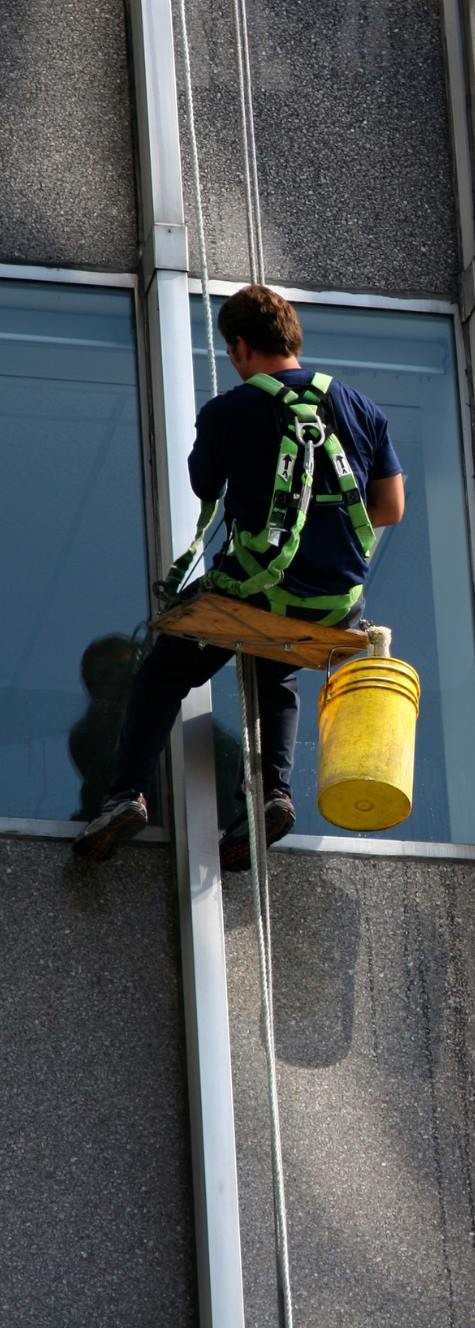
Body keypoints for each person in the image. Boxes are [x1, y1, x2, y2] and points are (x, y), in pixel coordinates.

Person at [73, 285, 404, 867]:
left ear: (241, 347)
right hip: (332, 604)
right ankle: (272, 794)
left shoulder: (229, 410)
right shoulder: (361, 407)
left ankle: (123, 795)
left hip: (255, 591)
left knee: (162, 674)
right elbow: (389, 508)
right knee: (277, 670)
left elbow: (205, 487)